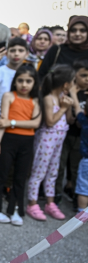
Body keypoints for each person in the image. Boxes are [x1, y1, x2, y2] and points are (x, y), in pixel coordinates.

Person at [0, 65, 41, 225]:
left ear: (34, 83)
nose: (24, 84)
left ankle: (15, 209)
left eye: (28, 81)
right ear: (15, 81)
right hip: (8, 140)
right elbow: (2, 122)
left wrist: (12, 122)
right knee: (1, 174)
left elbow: (36, 123)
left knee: (20, 177)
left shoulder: (35, 100)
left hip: (27, 142)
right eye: (20, 80)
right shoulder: (9, 96)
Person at [26, 64, 75, 221]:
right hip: (46, 140)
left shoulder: (62, 98)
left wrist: (68, 107)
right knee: (38, 172)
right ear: (66, 84)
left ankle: (50, 202)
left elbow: (68, 120)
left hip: (58, 141)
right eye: (73, 81)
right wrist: (62, 108)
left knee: (53, 171)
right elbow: (50, 121)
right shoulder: (48, 98)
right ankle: (32, 203)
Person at [0, 37, 29, 184]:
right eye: (13, 50)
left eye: (20, 50)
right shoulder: (0, 71)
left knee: (13, 153)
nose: (16, 53)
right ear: (7, 53)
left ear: (26, 53)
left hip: (20, 119)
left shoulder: (28, 73)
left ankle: (9, 184)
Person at [59, 60, 88, 210]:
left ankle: (78, 198)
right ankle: (57, 195)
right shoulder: (67, 92)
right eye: (83, 75)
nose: (87, 79)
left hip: (82, 139)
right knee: (60, 164)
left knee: (77, 168)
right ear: (74, 76)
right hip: (65, 133)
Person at [71, 96, 88, 214]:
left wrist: (73, 93)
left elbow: (77, 109)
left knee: (84, 189)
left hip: (86, 160)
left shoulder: (85, 120)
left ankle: (81, 213)